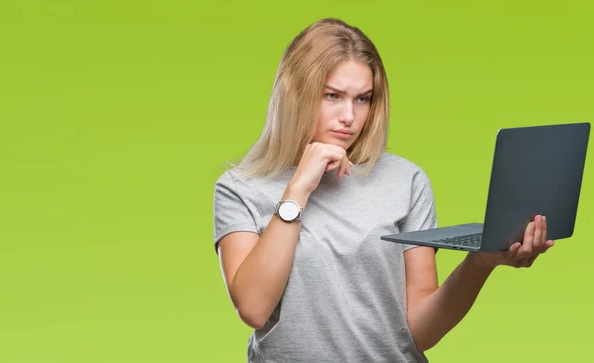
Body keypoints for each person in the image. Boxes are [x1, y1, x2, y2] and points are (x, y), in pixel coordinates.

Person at [212, 18, 554, 363]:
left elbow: (421, 330)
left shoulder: (405, 181)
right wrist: (298, 189)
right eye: (332, 95)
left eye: (363, 99)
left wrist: (479, 264)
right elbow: (254, 308)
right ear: (294, 93)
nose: (350, 116)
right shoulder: (240, 188)